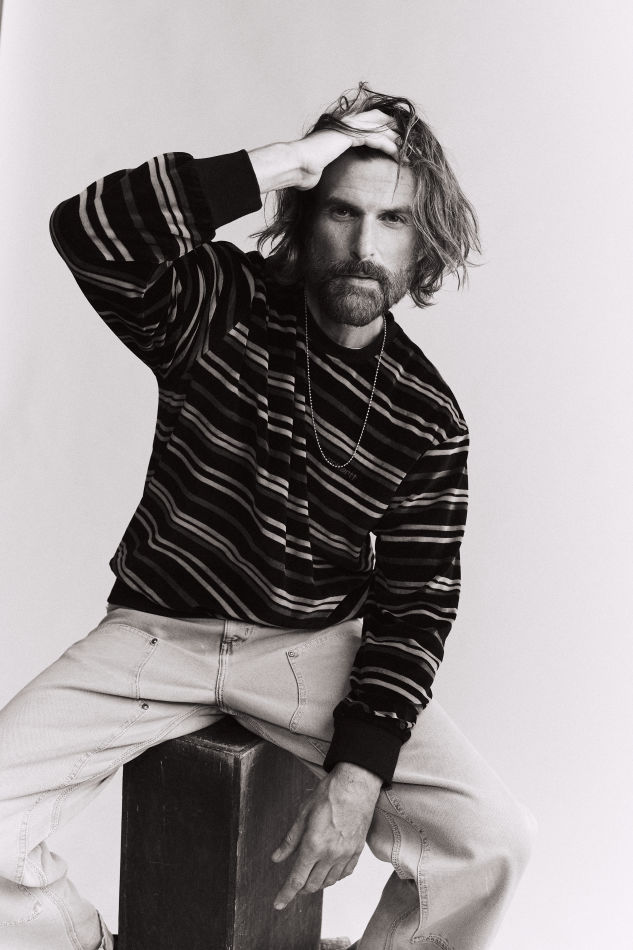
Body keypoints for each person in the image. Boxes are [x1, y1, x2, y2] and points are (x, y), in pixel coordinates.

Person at [0, 84, 535, 950]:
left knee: (492, 845)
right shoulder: (218, 301)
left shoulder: (427, 415)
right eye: (341, 211)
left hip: (308, 652)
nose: (363, 247)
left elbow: (415, 606)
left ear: (424, 241)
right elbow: (88, 230)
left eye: (393, 220)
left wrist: (358, 774)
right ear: (304, 214)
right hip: (155, 634)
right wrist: (288, 160)